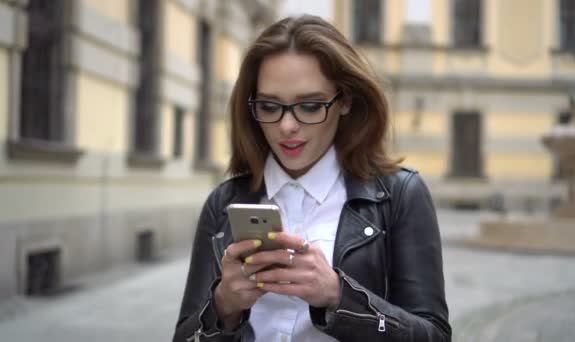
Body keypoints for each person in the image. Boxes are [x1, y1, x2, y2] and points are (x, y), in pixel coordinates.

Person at [173, 15, 450, 342]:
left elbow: (433, 336)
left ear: (344, 100)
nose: (287, 125)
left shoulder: (400, 194)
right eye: (270, 105)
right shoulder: (224, 203)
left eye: (309, 105)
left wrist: (338, 296)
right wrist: (223, 307)